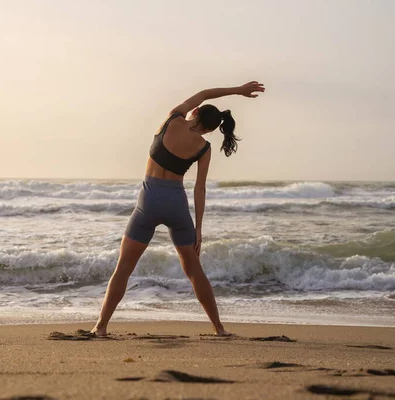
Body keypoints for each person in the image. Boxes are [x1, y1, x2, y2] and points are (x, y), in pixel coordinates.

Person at [91, 81, 266, 337]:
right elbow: (200, 190)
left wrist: (238, 90)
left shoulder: (173, 119)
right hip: (176, 205)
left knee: (124, 268)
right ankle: (219, 329)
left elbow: (205, 93)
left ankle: (101, 326)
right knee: (194, 271)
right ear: (209, 130)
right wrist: (199, 230)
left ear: (194, 113)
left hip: (148, 203)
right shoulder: (204, 148)